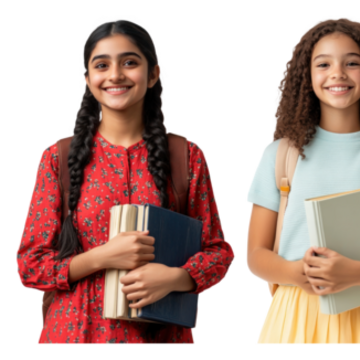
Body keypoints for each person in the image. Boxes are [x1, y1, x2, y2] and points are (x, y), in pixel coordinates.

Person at [15, 16, 235, 345]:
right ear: (88, 79)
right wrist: (102, 257)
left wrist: (176, 278)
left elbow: (218, 253)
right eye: (102, 65)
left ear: (153, 74)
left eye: (129, 62)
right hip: (75, 335)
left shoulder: (186, 156)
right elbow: (29, 266)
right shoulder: (57, 158)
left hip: (161, 338)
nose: (115, 74)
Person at [244, 16, 360, 345]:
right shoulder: (279, 155)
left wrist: (357, 273)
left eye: (352, 63)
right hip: (295, 317)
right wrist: (296, 273)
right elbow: (256, 256)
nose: (338, 74)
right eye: (323, 64)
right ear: (307, 76)